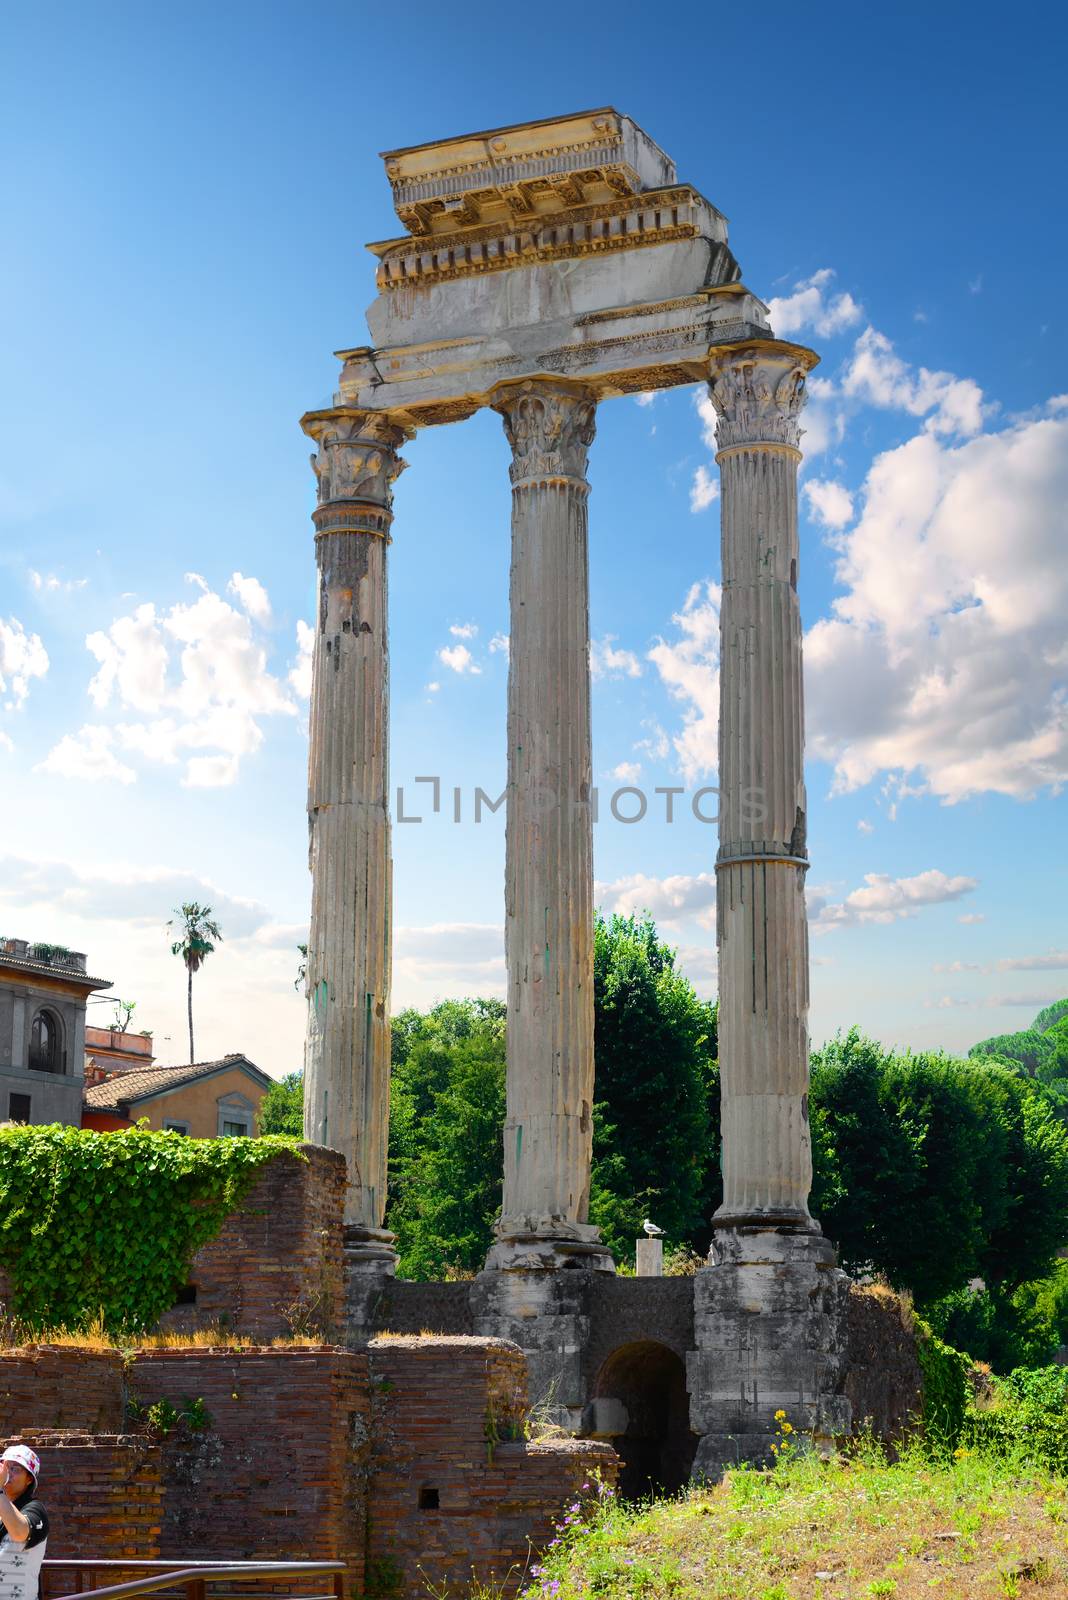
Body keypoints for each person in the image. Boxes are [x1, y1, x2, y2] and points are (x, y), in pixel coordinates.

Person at [0, 1446, 48, 1600]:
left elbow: (20, 1532)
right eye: (5, 1467)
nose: (8, 1474)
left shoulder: (35, 1509)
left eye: (15, 1469)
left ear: (29, 1479)